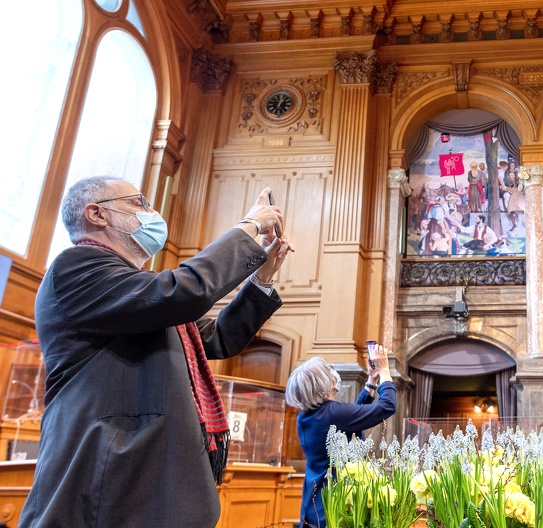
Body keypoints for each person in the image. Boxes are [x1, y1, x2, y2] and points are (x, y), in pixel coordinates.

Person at [20, 176, 293, 527]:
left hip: (153, 483)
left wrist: (263, 276)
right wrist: (248, 226)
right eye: (140, 203)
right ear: (96, 214)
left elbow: (220, 338)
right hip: (109, 483)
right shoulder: (76, 268)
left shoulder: (142, 294)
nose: (153, 213)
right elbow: (184, 292)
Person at [286, 351, 396, 528]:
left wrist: (371, 383)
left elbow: (351, 416)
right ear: (324, 383)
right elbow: (388, 406)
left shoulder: (306, 416)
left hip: (316, 503)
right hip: (335, 505)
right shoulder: (333, 413)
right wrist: (384, 371)